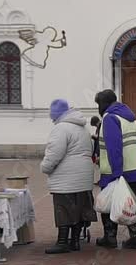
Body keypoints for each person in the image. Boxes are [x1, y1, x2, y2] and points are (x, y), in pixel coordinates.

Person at [40, 99, 97, 254]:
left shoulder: (61, 129)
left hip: (66, 178)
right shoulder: (83, 128)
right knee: (78, 209)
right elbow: (91, 149)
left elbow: (54, 153)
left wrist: (45, 167)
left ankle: (62, 242)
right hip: (83, 176)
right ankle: (75, 242)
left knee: (63, 209)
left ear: (56, 114)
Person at [95, 89, 136, 250]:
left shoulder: (110, 118)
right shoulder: (128, 117)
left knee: (109, 203)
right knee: (130, 204)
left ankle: (109, 237)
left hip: (117, 171)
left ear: (103, 104)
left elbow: (114, 147)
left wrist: (116, 174)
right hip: (135, 168)